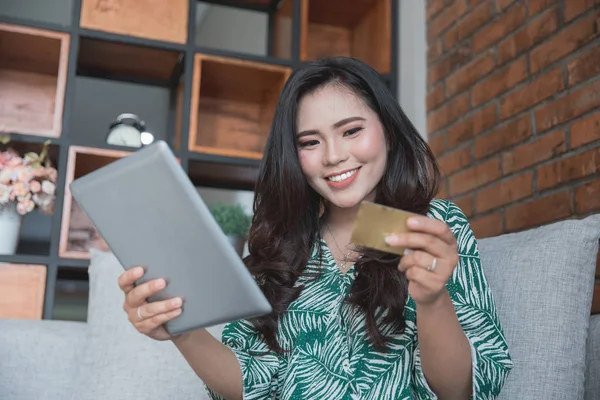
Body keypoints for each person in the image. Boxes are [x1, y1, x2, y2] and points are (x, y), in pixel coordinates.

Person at [118, 56, 513, 399]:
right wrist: (182, 332)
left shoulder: (432, 226)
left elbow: (464, 391)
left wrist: (432, 301)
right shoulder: (279, 250)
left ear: (388, 131)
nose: (334, 156)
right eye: (310, 142)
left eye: (352, 131)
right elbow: (253, 385)